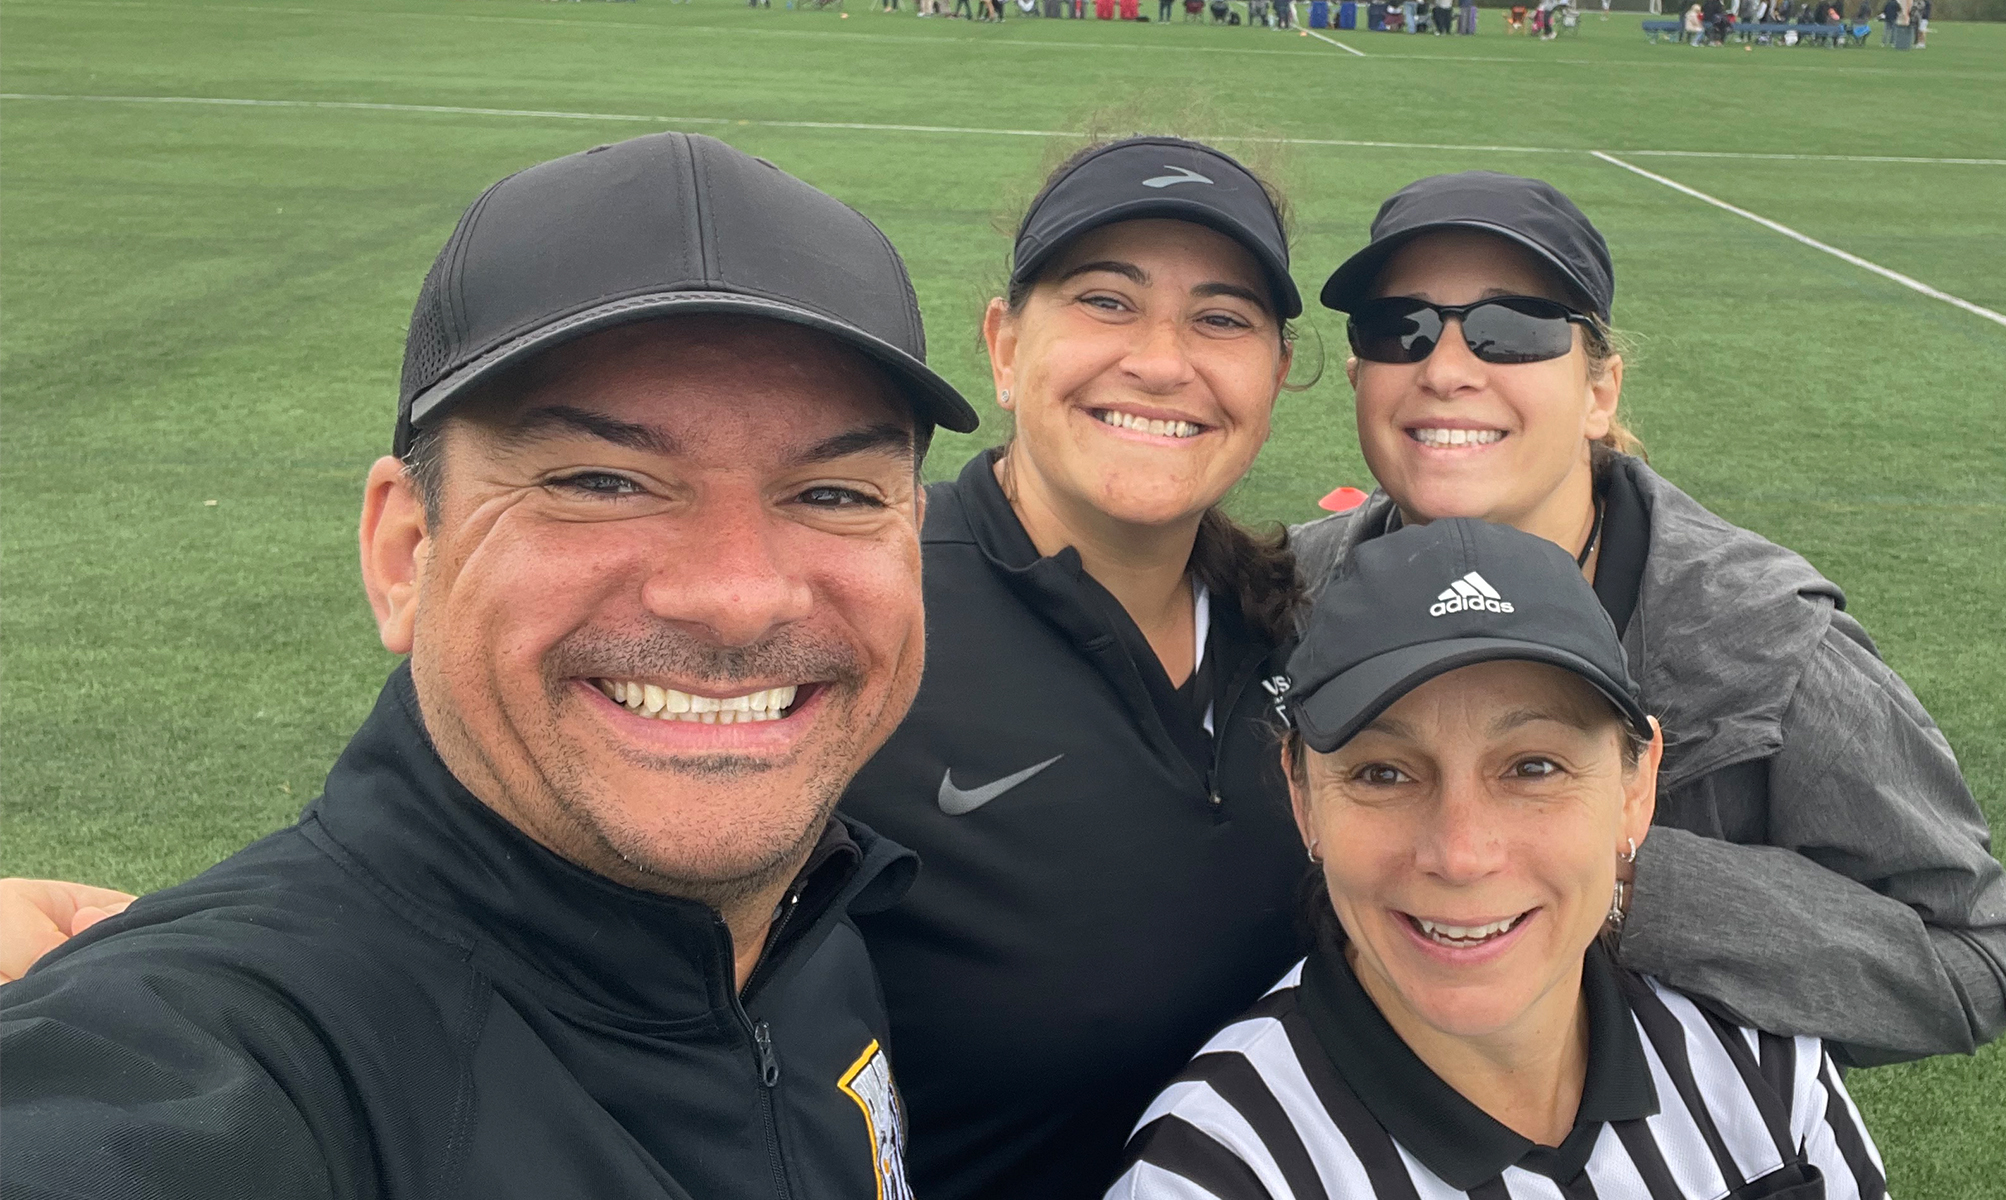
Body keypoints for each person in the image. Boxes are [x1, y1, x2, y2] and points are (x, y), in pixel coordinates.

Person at [0, 133, 980, 1197]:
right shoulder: (226, 1063)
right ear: (404, 553)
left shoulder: (808, 932)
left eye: (835, 493)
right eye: (603, 480)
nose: (738, 596)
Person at [1292, 172, 2006, 1067]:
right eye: (1398, 328)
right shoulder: (1289, 587)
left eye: (1514, 329)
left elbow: (1974, 961)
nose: (1447, 371)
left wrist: (1614, 874)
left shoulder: (1765, 636)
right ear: (1361, 376)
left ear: (1600, 391)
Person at [1111, 519, 1888, 1199]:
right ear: (1305, 799)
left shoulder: (1762, 1058)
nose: (1462, 853)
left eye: (1533, 767)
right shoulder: (1221, 1171)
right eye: (1384, 773)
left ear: (1635, 788)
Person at [836, 136, 1315, 1200]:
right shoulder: (867, 629)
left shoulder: (1296, 631)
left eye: (1222, 318)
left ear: (1275, 374)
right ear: (1004, 347)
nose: (1160, 359)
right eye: (1106, 301)